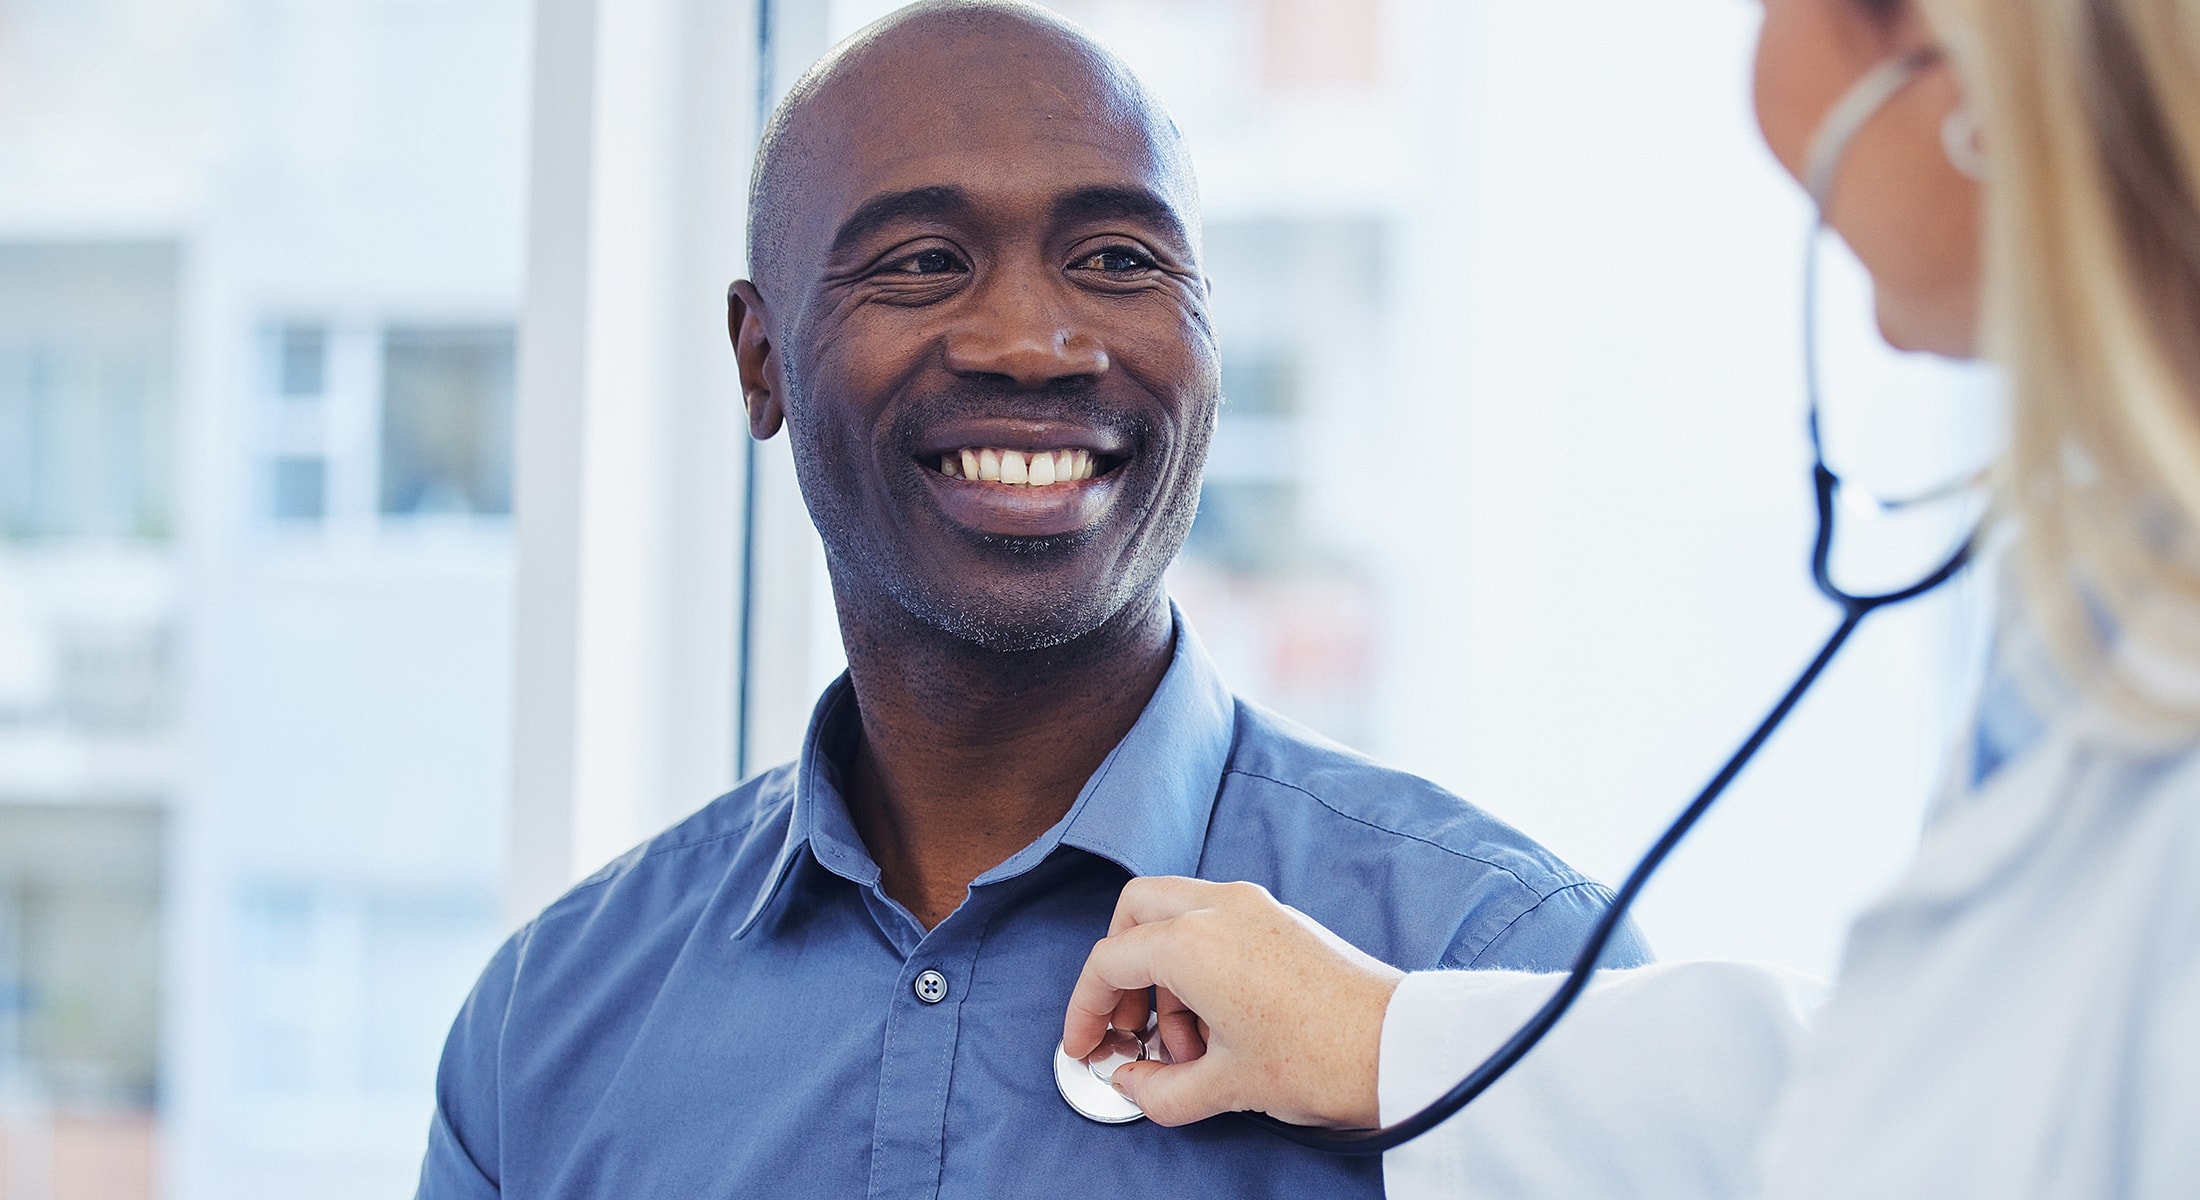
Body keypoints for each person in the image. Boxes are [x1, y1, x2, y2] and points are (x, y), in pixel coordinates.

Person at [415, 3, 1651, 1196]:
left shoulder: (1493, 969)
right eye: (922, 263)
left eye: (1117, 260)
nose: (1029, 342)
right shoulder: (547, 1033)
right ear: (760, 360)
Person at [1061, 0, 2200, 1195]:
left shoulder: (1482, 911)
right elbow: (1958, 1101)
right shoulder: (2121, 589)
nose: (1032, 344)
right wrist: (1388, 1043)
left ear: (1940, 54)